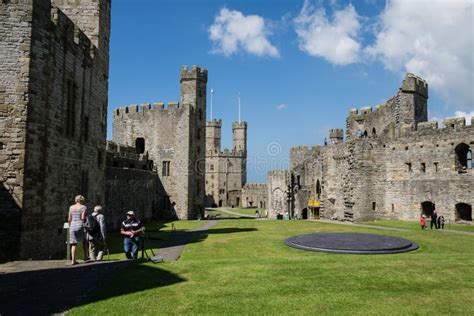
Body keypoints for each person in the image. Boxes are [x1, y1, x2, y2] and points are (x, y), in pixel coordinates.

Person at [68, 195, 87, 265]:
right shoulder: (83, 207)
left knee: (73, 244)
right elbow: (82, 217)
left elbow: (69, 218)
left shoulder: (71, 207)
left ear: (76, 200)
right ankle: (85, 256)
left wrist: (70, 225)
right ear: (82, 200)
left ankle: (73, 260)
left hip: (72, 225)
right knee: (84, 241)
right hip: (80, 225)